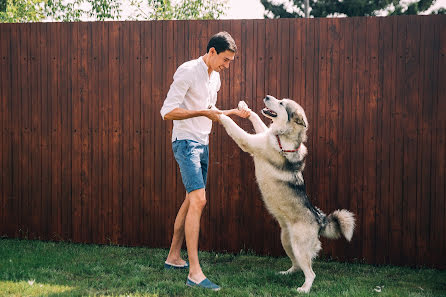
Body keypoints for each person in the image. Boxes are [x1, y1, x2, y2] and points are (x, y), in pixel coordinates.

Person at [160, 31, 250, 291]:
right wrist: (201, 112)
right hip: (185, 142)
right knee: (199, 199)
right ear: (212, 51)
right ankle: (195, 273)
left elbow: (212, 112)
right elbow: (167, 111)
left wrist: (234, 112)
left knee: (191, 199)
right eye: (225, 59)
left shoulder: (216, 79)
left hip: (203, 143)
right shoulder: (187, 71)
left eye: (230, 61)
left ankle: (174, 257)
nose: (227, 65)